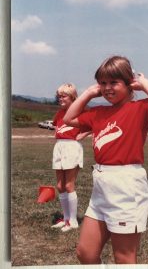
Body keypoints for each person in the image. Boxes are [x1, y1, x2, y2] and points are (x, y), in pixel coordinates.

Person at [64, 55, 148, 264]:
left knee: (124, 258)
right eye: (102, 83)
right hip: (101, 186)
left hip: (126, 186)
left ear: (128, 83)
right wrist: (88, 93)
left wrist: (142, 83)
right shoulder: (98, 112)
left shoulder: (140, 109)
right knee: (85, 253)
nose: (107, 88)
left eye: (114, 82)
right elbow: (68, 118)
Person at [51, 83, 90, 232]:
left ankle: (73, 220)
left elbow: (94, 125)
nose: (60, 98)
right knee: (60, 186)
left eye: (64, 96)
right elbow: (57, 127)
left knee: (69, 185)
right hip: (59, 147)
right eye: (59, 96)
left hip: (72, 147)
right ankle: (66, 218)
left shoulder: (80, 111)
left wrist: (83, 134)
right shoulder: (60, 113)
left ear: (73, 97)